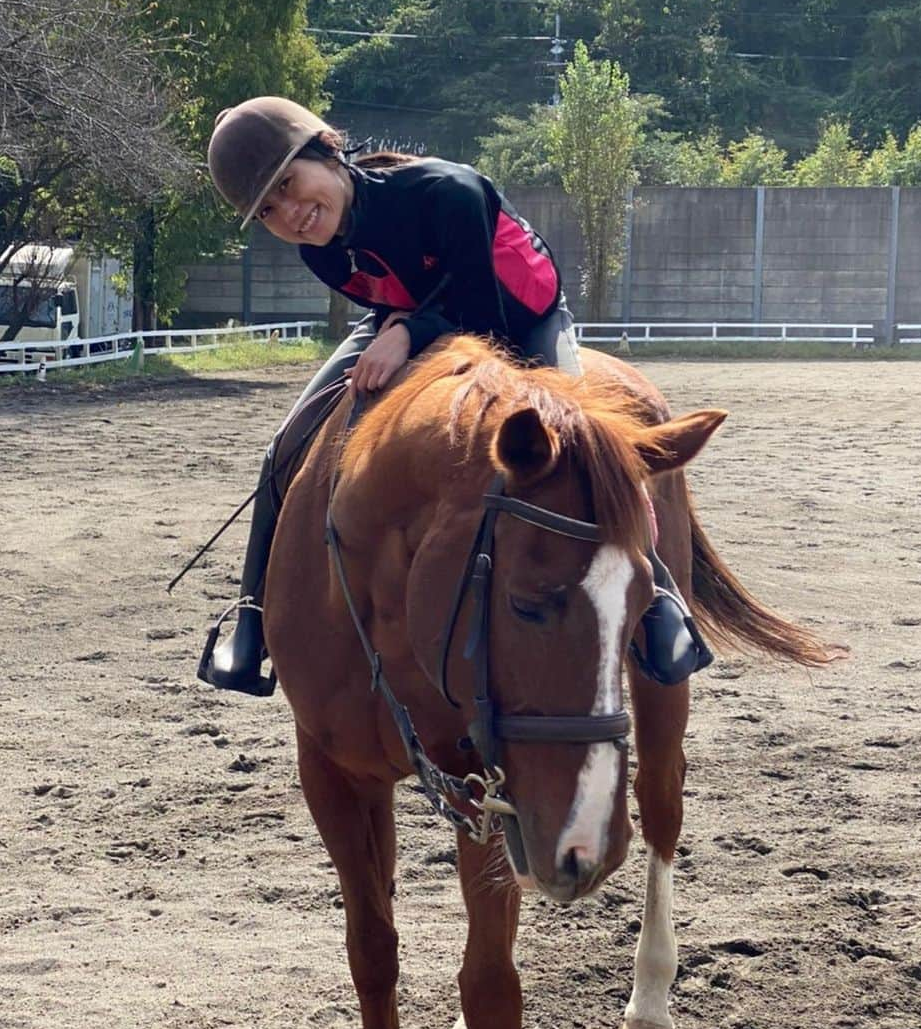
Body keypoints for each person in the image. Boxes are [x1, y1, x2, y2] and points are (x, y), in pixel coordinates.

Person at [198, 96, 710, 695]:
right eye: (268, 210)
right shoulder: (319, 250)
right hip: (417, 317)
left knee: (588, 450)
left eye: (289, 184)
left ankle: (660, 602)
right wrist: (396, 327)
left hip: (523, 316)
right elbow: (393, 297)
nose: (291, 213)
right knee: (286, 445)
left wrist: (407, 333)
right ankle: (252, 621)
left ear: (330, 152)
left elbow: (484, 317)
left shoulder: (448, 190)